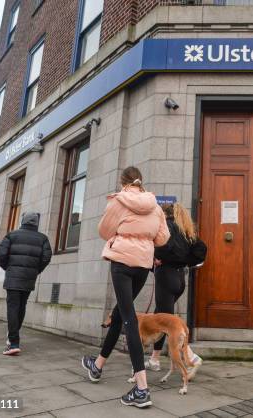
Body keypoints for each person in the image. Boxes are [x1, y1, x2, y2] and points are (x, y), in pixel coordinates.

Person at [81, 166, 169, 408]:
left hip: (121, 263)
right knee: (121, 313)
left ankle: (141, 388)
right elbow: (163, 238)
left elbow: (104, 231)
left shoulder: (119, 201)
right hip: (142, 265)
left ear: (123, 183)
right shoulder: (156, 206)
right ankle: (97, 365)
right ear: (142, 183)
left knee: (129, 318)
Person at [149, 203, 203, 377]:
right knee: (161, 318)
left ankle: (191, 358)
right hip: (180, 279)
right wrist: (186, 262)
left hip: (166, 275)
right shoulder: (185, 230)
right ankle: (154, 358)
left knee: (166, 322)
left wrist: (157, 258)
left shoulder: (167, 226)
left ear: (164, 214)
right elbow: (201, 251)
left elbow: (162, 247)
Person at [0, 212, 52, 356]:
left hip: (13, 278)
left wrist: (8, 268)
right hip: (29, 277)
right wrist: (35, 270)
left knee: (13, 308)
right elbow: (46, 257)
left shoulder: (11, 235)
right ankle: (13, 336)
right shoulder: (43, 239)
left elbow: (0, 254)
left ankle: (13, 342)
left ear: (23, 221)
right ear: (36, 223)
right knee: (21, 306)